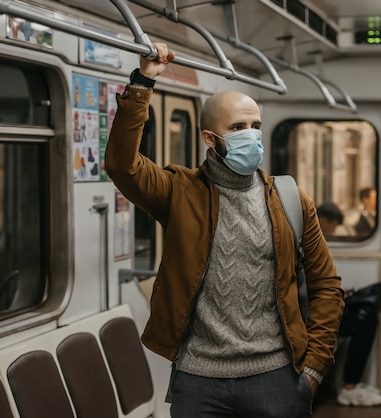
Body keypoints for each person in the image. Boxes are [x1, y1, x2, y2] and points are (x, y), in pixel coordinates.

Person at [104, 43, 345, 418]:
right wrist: (142, 83)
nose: (251, 136)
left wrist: (313, 368)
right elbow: (122, 165)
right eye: (237, 128)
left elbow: (326, 285)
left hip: (276, 375)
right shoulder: (179, 191)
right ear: (208, 138)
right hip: (199, 380)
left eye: (256, 127)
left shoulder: (290, 200)